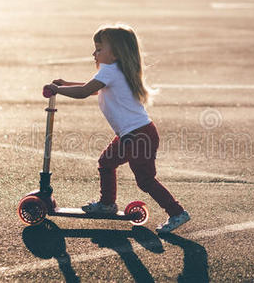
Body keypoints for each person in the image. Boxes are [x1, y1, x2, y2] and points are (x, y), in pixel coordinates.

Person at [43, 24, 190, 233]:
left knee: (145, 180)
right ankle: (107, 204)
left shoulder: (110, 71)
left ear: (115, 53)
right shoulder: (116, 70)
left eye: (99, 49)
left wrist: (58, 89)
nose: (94, 53)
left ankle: (177, 212)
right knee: (106, 162)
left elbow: (85, 91)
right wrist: (66, 84)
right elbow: (93, 89)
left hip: (138, 136)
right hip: (133, 134)